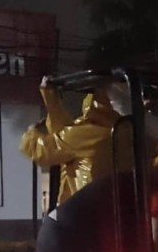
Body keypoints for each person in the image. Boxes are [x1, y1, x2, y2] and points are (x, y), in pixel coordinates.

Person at [19, 78, 122, 206]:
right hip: (118, 206)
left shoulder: (84, 133)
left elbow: (44, 152)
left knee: (50, 225)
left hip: (83, 208)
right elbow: (64, 133)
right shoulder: (128, 130)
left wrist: (31, 134)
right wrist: (51, 98)